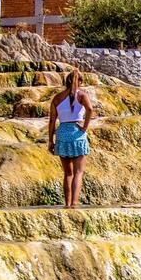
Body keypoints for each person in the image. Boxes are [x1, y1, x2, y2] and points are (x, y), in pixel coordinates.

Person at [45, 71, 95, 209]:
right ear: (79, 82)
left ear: (66, 81)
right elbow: (90, 109)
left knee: (68, 173)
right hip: (77, 132)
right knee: (78, 172)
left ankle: (66, 204)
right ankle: (74, 204)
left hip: (62, 133)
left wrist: (50, 140)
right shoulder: (82, 95)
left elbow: (52, 121)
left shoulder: (57, 98)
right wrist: (85, 127)